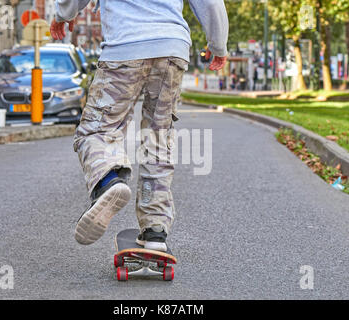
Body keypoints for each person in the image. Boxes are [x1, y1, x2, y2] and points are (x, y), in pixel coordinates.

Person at [51, 0, 228, 251]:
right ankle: (155, 231)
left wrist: (63, 13)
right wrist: (218, 43)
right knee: (158, 137)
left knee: (97, 129)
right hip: (172, 48)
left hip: (124, 47)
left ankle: (108, 181)